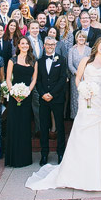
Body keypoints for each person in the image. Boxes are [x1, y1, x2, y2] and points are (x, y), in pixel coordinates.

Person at [26, 36, 101, 191]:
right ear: (97, 44)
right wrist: (83, 90)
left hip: (100, 101)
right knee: (83, 131)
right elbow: (78, 79)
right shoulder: (86, 60)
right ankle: (79, 171)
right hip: (86, 100)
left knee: (100, 130)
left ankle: (100, 169)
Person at [5, 37, 38, 168]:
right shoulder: (12, 60)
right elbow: (8, 78)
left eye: (26, 44)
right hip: (14, 96)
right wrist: (13, 92)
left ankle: (24, 158)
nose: (24, 45)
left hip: (26, 96)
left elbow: (34, 79)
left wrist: (26, 92)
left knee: (24, 125)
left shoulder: (33, 61)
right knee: (14, 124)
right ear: (18, 46)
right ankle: (12, 158)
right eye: (22, 43)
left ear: (29, 46)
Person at [37, 37, 68, 165]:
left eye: (52, 44)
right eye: (48, 44)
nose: (50, 46)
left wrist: (52, 93)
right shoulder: (39, 61)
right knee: (44, 127)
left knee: (60, 126)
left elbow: (63, 79)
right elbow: (37, 80)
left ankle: (61, 153)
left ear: (55, 45)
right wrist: (43, 94)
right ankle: (44, 154)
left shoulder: (61, 60)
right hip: (43, 99)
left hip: (57, 98)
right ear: (44, 46)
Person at [68, 30, 91, 118]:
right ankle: (75, 117)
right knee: (75, 98)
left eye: (83, 37)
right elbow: (70, 64)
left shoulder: (89, 50)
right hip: (75, 78)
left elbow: (90, 63)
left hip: (86, 78)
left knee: (86, 97)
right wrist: (77, 73)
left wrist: (85, 74)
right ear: (76, 38)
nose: (81, 39)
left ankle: (86, 117)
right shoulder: (72, 50)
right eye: (79, 37)